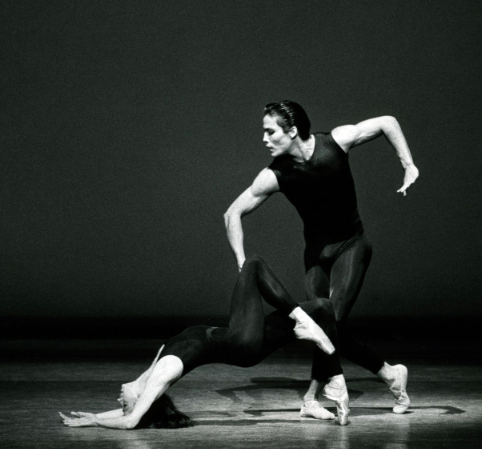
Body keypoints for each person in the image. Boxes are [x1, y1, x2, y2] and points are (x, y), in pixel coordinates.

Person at [224, 100, 418, 418]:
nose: (264, 138)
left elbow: (387, 120)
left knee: (333, 323)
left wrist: (407, 163)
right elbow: (232, 213)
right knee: (320, 324)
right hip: (315, 255)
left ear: (293, 130)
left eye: (270, 131)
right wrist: (242, 262)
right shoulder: (275, 176)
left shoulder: (336, 142)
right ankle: (389, 373)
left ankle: (311, 397)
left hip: (351, 247)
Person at [60, 256, 352, 429]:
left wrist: (94, 416)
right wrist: (99, 422)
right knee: (252, 265)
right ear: (141, 401)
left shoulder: (151, 371)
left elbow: (132, 411)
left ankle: (313, 398)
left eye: (120, 406)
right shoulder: (163, 374)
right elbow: (131, 420)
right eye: (123, 405)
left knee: (324, 308)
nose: (118, 402)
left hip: (248, 340)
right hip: (242, 342)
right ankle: (306, 329)